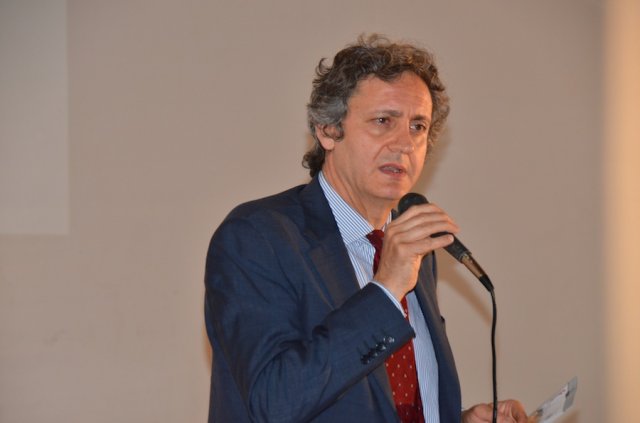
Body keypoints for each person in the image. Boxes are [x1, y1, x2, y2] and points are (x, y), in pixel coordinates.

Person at [204, 34, 527, 423]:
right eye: (383, 121)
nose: (404, 144)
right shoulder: (258, 237)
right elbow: (274, 402)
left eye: (418, 126)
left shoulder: (412, 251)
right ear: (328, 130)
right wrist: (386, 289)